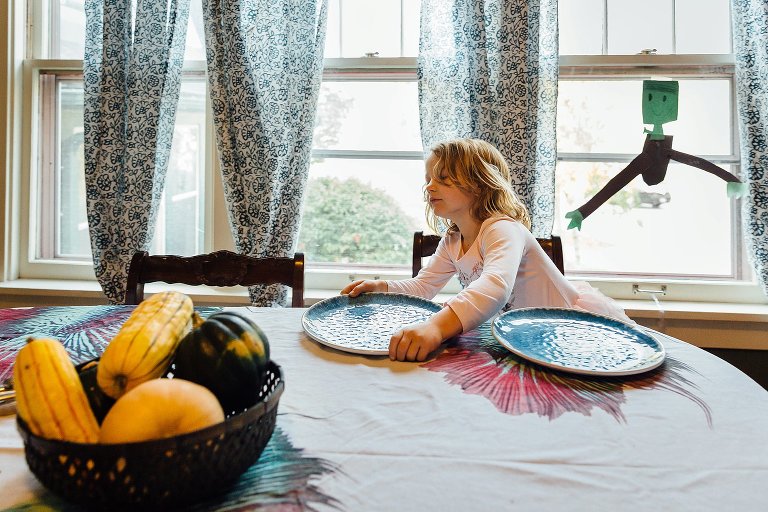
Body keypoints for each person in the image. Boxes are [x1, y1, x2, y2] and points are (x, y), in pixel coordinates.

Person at [341, 138, 632, 362]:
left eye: (443, 178)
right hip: (523, 337)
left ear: (480, 185)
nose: (430, 187)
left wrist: (436, 328)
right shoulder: (453, 240)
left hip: (564, 331)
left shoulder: (501, 229)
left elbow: (495, 285)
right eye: (429, 178)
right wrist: (383, 287)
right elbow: (423, 286)